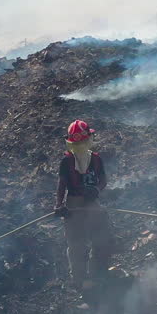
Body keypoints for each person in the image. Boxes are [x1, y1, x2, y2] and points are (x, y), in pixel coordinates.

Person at [54, 120, 112, 290]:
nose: (80, 145)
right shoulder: (67, 162)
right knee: (76, 244)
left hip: (92, 203)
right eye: (77, 143)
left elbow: (103, 179)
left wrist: (96, 190)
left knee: (100, 238)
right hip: (74, 204)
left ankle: (97, 274)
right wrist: (59, 205)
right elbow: (62, 184)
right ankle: (79, 279)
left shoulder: (95, 159)